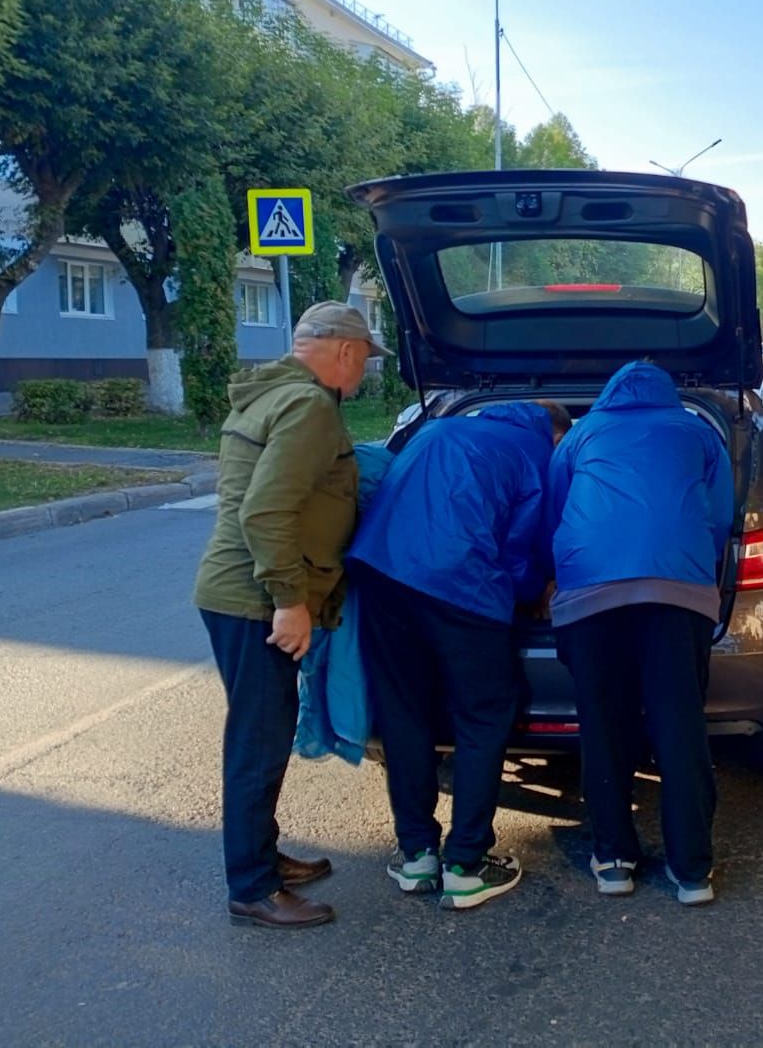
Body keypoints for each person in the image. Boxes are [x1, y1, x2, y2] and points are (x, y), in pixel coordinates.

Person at [192, 301, 389, 929]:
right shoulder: (307, 406)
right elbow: (265, 510)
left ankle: (262, 857)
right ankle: (252, 886)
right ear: (346, 352)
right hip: (256, 599)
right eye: (364, 361)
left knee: (262, 734)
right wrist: (289, 601)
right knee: (258, 740)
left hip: (237, 592)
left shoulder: (273, 393)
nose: (363, 374)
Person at [346, 400, 569, 910]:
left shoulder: (437, 428)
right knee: (484, 716)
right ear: (555, 434)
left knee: (403, 715)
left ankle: (417, 855)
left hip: (380, 576)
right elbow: (520, 551)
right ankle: (466, 863)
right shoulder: (535, 453)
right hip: (461, 585)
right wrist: (535, 593)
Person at [547, 361, 734, 906]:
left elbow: (554, 513)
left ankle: (613, 860)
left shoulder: (581, 435)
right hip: (679, 595)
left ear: (607, 395)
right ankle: (692, 871)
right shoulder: (699, 432)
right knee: (679, 728)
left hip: (590, 596)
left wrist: (549, 577)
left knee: (603, 727)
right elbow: (720, 517)